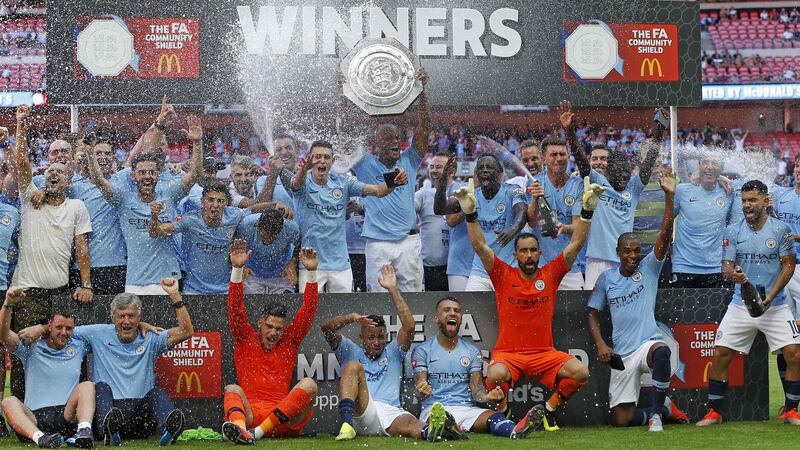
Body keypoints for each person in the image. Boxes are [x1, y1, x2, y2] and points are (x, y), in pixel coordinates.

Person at [456, 174, 604, 431]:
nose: (528, 255)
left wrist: (587, 212)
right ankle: (504, 411)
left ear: (539, 253)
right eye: (523, 251)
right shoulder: (503, 274)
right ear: (516, 255)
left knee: (581, 372)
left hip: (543, 353)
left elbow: (576, 244)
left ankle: (548, 411)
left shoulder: (551, 274)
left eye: (533, 250)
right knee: (495, 375)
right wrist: (470, 215)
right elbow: (480, 246)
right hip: (509, 354)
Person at [588, 168, 688, 431]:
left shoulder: (649, 268)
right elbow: (592, 312)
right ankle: (663, 409)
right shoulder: (606, 279)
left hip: (646, 346)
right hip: (622, 354)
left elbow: (665, 234)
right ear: (618, 252)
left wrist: (669, 197)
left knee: (662, 351)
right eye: (627, 251)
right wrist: (601, 343)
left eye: (637, 250)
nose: (633, 255)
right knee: (621, 420)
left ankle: (655, 416)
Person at [697, 180, 799, 426]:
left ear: (766, 201)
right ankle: (715, 412)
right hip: (740, 304)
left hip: (775, 305)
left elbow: (788, 265)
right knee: (720, 353)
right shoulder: (733, 231)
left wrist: (771, 295)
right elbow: (726, 267)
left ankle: (791, 410)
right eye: (744, 200)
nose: (747, 205)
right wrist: (735, 276)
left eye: (752, 200)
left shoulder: (782, 230)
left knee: (795, 353)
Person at [9, 104, 93, 402]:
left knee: (63, 352)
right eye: (50, 171)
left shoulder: (76, 207)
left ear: (69, 182)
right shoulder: (31, 199)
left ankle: (60, 409)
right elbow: (21, 163)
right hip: (27, 292)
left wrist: (86, 284)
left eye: (60, 172)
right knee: (23, 353)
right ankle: (20, 410)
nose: (54, 174)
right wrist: (21, 125)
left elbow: (82, 248)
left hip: (59, 293)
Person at [85, 115, 203, 294]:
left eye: (151, 172)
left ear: (158, 175)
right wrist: (89, 154)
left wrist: (197, 143)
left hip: (168, 278)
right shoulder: (123, 199)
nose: (147, 176)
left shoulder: (170, 194)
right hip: (135, 281)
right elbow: (99, 181)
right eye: (142, 172)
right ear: (133, 176)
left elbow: (195, 175)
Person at [221, 240, 319, 444]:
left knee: (309, 384)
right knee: (232, 389)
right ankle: (240, 430)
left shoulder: (290, 341)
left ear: (284, 329)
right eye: (269, 326)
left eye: (279, 329)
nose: (274, 332)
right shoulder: (244, 337)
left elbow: (308, 311)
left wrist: (311, 273)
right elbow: (235, 308)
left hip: (282, 420)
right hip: (250, 416)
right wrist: (237, 269)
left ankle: (254, 434)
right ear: (260, 323)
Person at [322, 265, 427, 440]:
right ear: (361, 338)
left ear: (386, 337)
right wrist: (351, 318)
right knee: (353, 366)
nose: (376, 342)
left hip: (392, 412)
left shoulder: (393, 351)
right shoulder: (350, 350)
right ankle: (346, 425)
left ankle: (438, 431)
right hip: (362, 412)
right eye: (371, 337)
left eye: (381, 337)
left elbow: (409, 327)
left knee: (411, 423)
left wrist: (393, 289)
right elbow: (326, 329)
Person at [564, 102, 662, 290]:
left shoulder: (634, 187)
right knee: (595, 304)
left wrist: (659, 131)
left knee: (621, 304)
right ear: (609, 171)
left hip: (625, 261)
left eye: (626, 173)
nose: (623, 177)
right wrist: (569, 130)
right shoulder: (598, 182)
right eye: (619, 173)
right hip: (597, 260)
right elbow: (580, 158)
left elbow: (650, 159)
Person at [352, 69, 430, 292]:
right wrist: (343, 94)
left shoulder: (409, 160)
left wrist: (422, 91)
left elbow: (424, 128)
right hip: (378, 243)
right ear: (376, 144)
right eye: (388, 139)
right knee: (379, 297)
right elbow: (346, 133)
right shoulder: (364, 163)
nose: (395, 142)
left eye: (397, 138)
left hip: (408, 241)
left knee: (412, 295)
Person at [292, 140, 404, 293]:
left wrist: (395, 181)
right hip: (310, 262)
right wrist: (305, 169)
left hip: (340, 264)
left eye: (326, 157)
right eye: (317, 157)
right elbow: (296, 184)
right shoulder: (303, 181)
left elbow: (378, 190)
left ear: (333, 161)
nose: (322, 161)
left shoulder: (343, 182)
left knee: (343, 306)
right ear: (310, 159)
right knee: (309, 306)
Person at [412, 297, 524, 439]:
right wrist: (422, 391)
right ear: (436, 318)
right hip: (434, 409)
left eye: (457, 311)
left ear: (461, 319)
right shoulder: (422, 350)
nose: (453, 313)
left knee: (493, 417)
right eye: (446, 310)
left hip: (466, 409)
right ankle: (450, 428)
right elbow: (419, 388)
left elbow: (477, 391)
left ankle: (516, 431)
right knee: (439, 420)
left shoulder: (472, 351)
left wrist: (487, 396)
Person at [149, 180, 289, 294]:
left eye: (220, 201)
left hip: (224, 289)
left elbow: (254, 208)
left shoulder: (233, 216)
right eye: (211, 200)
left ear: (226, 203)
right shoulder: (190, 221)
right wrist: (154, 217)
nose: (215, 205)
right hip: (193, 290)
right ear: (203, 201)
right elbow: (155, 233)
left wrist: (275, 205)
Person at [0, 289, 95, 448]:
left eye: (69, 328)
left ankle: (84, 431)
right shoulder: (31, 346)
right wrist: (8, 304)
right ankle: (41, 439)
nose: (64, 333)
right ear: (49, 325)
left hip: (67, 417)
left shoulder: (80, 345)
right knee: (8, 401)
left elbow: (109, 333)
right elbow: (3, 336)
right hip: (34, 420)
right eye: (59, 327)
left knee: (87, 385)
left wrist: (139, 325)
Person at [434, 155, 527, 291]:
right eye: (481, 167)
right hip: (479, 272)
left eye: (489, 167)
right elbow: (440, 209)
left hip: (508, 268)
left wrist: (513, 229)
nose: (484, 170)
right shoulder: (472, 195)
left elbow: (522, 211)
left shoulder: (511, 190)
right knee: (470, 305)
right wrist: (443, 179)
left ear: (499, 173)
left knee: (507, 305)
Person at [524, 137, 586, 290]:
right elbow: (532, 222)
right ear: (543, 159)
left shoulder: (578, 185)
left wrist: (563, 228)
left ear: (568, 156)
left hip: (570, 266)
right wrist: (535, 200)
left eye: (562, 154)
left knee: (578, 306)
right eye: (553, 155)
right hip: (541, 266)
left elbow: (578, 226)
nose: (559, 159)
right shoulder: (534, 182)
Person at [69, 141, 127, 295]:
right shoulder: (74, 186)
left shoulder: (122, 180)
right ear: (89, 157)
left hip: (117, 264)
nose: (103, 157)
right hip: (81, 266)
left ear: (113, 157)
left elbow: (144, 153)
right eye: (98, 153)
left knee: (117, 310)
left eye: (107, 153)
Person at [671, 154, 733, 288]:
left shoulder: (728, 191)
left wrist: (721, 177)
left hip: (715, 268)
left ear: (722, 168)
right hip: (683, 267)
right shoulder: (682, 190)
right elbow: (668, 219)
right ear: (699, 166)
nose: (710, 167)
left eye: (714, 163)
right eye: (705, 163)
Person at [773, 162, 800, 403]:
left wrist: (794, 236)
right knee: (786, 338)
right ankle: (789, 402)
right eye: (799, 166)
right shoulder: (782, 195)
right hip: (783, 269)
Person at [234, 208, 301, 294]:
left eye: (273, 237)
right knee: (250, 299)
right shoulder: (246, 226)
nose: (268, 241)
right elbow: (234, 247)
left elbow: (299, 246)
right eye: (265, 237)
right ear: (258, 226)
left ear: (281, 229)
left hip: (281, 273)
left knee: (287, 300)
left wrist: (293, 262)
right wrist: (242, 267)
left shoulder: (292, 229)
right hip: (251, 272)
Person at [415, 153, 451, 291]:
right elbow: (408, 208)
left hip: (456, 268)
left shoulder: (461, 192)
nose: (434, 170)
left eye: (439, 167)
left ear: (451, 170)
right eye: (432, 167)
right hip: (430, 268)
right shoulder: (423, 194)